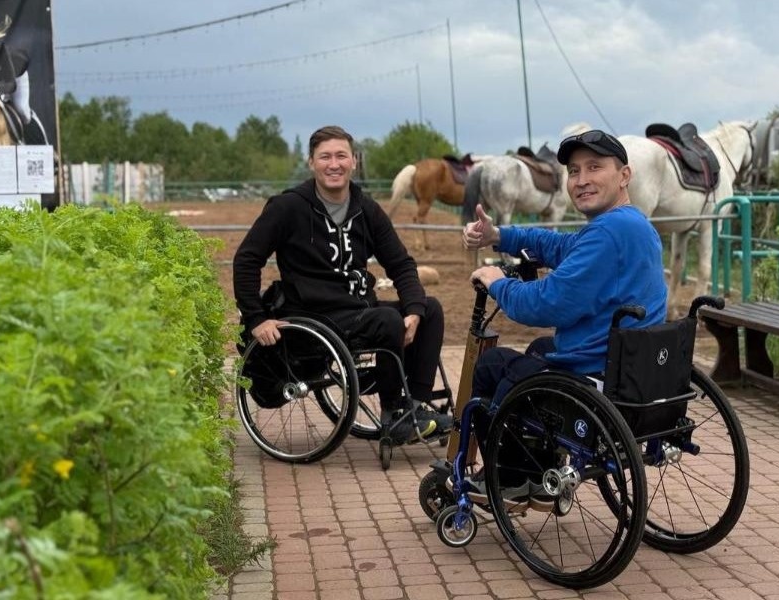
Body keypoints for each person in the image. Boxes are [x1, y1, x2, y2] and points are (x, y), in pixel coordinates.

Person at [233, 125, 452, 444]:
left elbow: (401, 263)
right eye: (324, 157)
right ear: (311, 163)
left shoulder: (367, 210)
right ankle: (394, 415)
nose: (333, 164)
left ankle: (413, 407)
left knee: (430, 309)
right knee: (387, 320)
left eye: (341, 156)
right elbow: (247, 259)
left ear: (353, 162)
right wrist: (255, 317)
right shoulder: (287, 207)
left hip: (358, 310)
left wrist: (414, 309)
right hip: (314, 315)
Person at [463, 129, 668, 406]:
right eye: (574, 171)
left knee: (490, 364)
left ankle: (504, 446)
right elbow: (560, 245)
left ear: (624, 176)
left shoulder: (607, 233)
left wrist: (498, 282)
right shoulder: (634, 224)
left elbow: (546, 303)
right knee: (540, 348)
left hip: (595, 378)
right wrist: (499, 235)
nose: (582, 180)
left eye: (594, 167)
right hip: (632, 369)